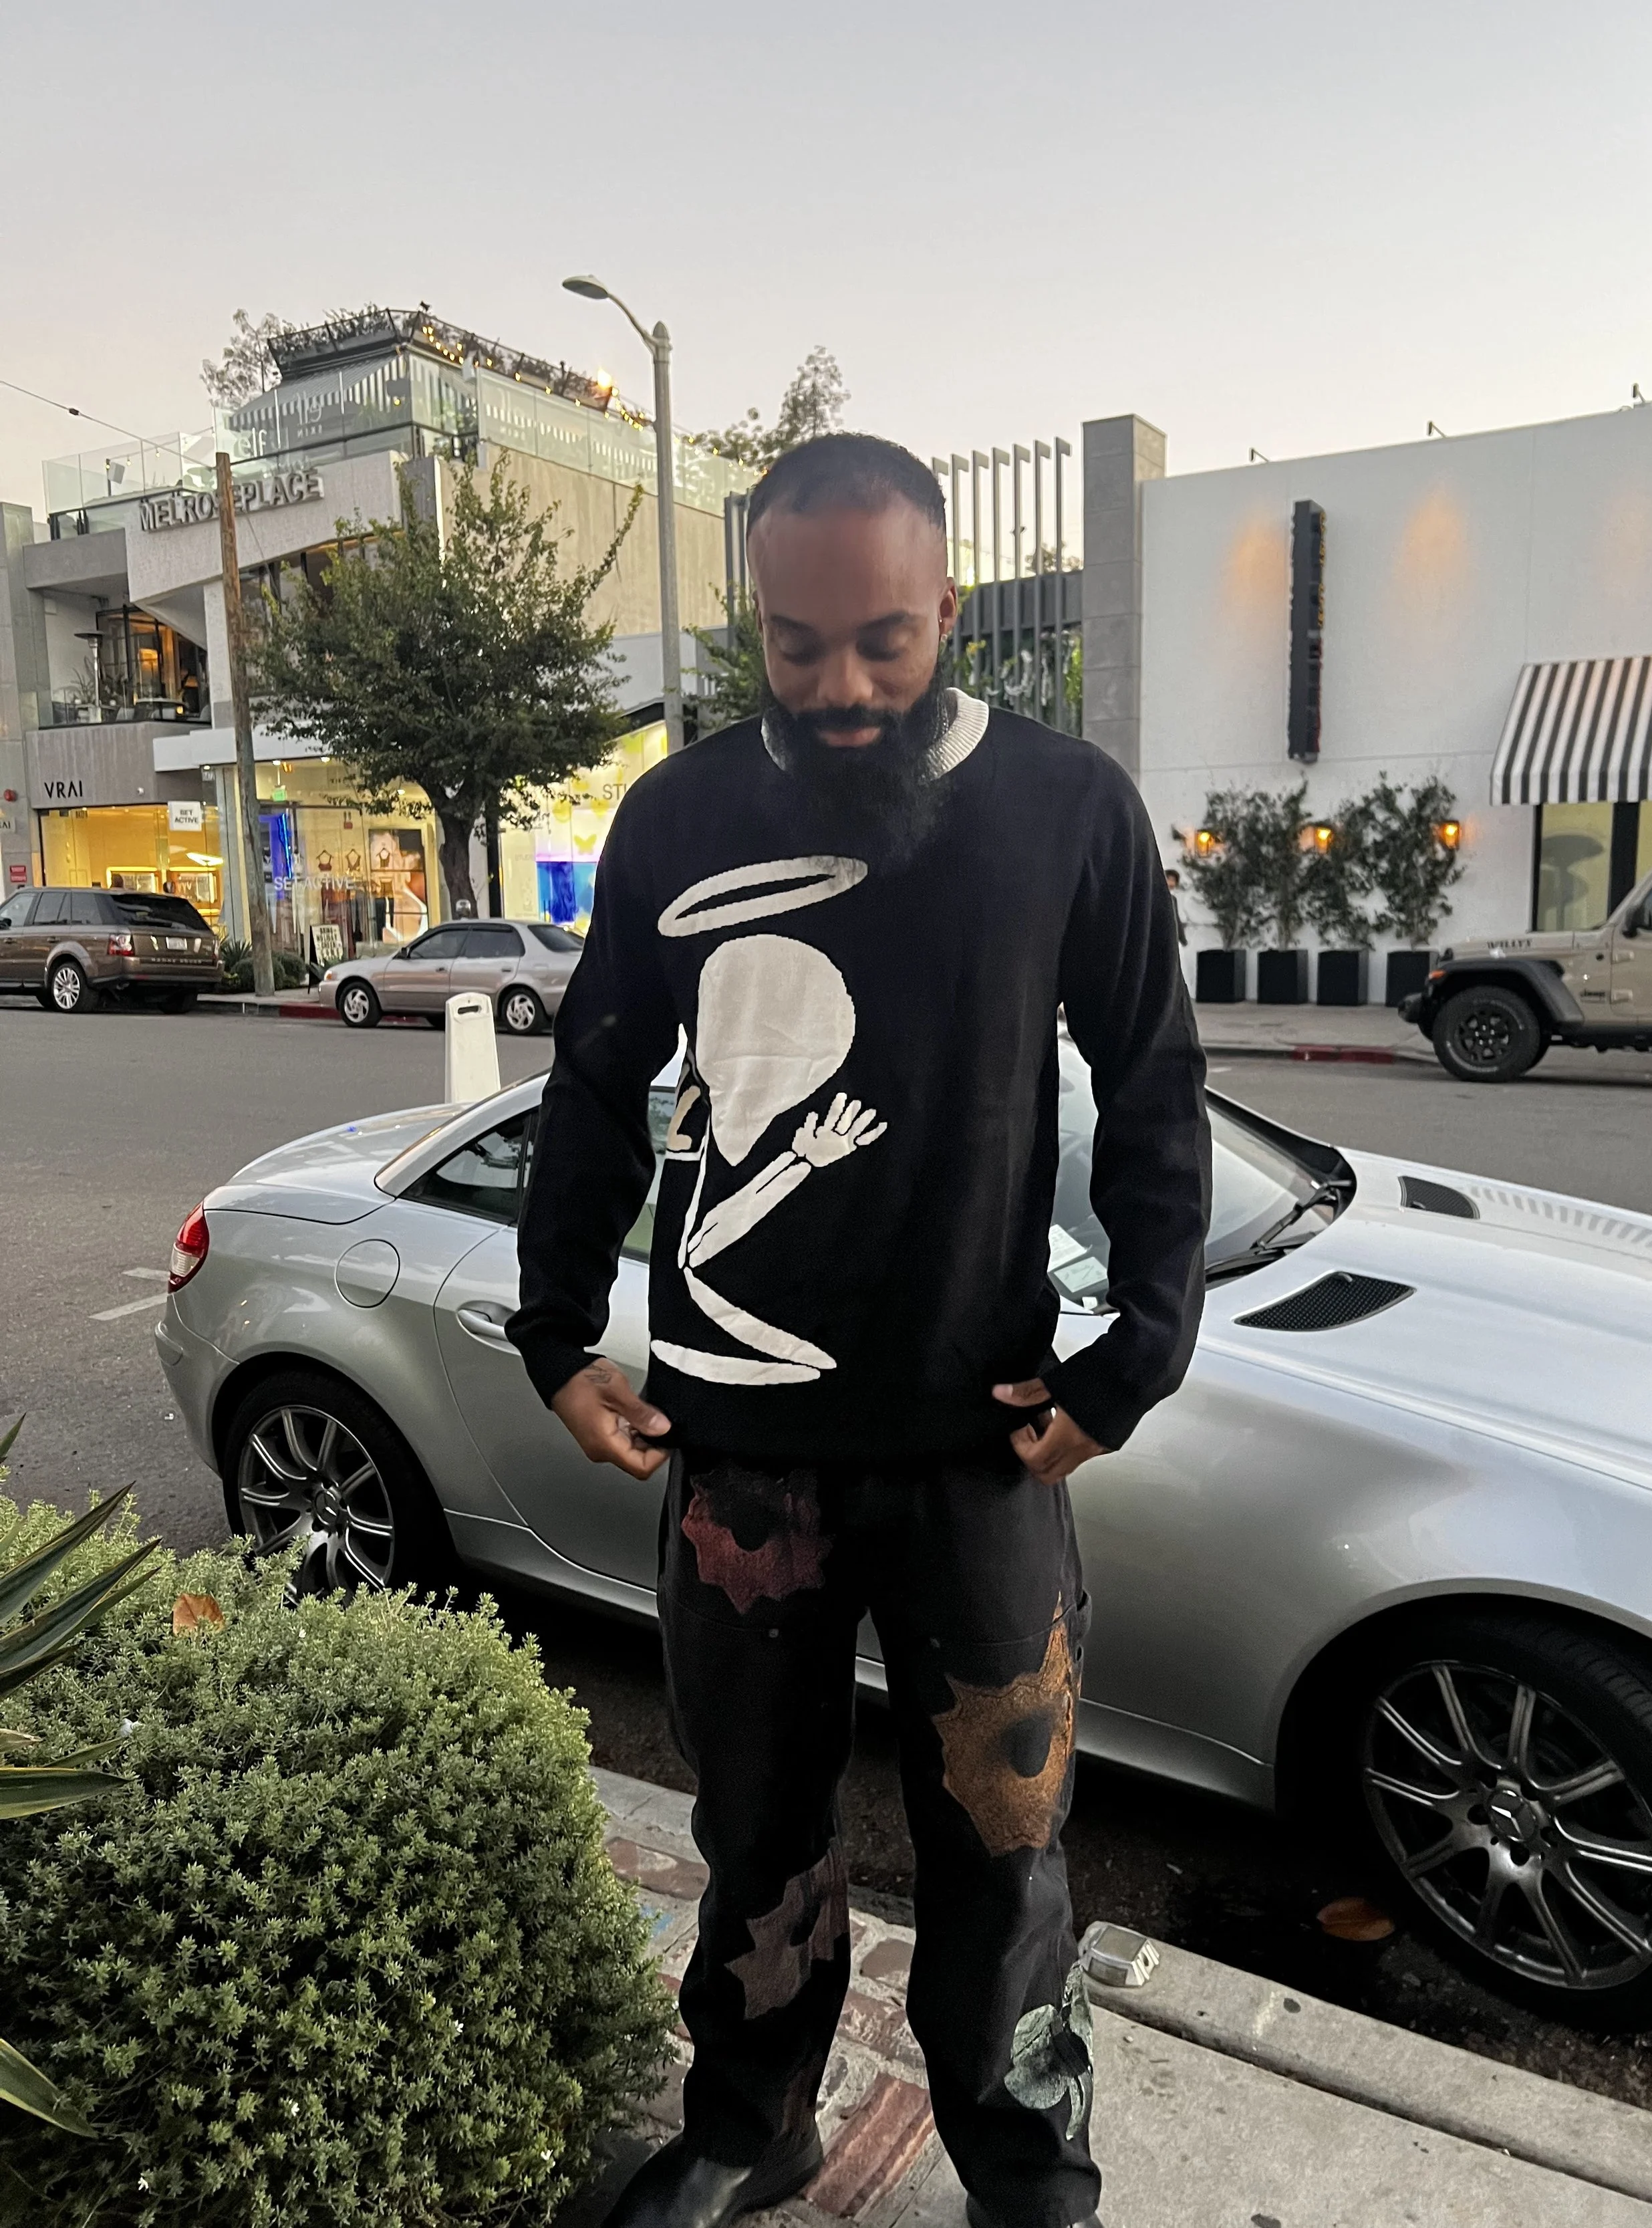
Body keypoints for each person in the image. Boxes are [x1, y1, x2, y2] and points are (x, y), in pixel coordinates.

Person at [510, 434, 1211, 2228]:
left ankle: (1027, 2165)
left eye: (884, 643)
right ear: (756, 614)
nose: (840, 688)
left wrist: (1132, 1354)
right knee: (753, 1829)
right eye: (798, 644)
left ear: (949, 609)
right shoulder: (674, 817)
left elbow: (1151, 1084)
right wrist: (556, 1332)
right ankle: (753, 2117)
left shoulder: (1063, 807)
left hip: (982, 1444)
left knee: (1005, 1846)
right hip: (738, 1451)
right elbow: (596, 1084)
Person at [1164, 866, 1188, 946]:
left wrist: (1182, 938)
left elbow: (1176, 919)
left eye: (1173, 880)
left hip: (1168, 938)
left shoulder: (1173, 900)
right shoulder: (1153, 896)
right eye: (1169, 879)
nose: (1171, 883)